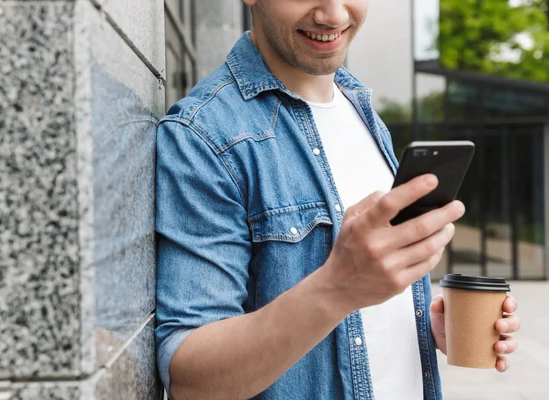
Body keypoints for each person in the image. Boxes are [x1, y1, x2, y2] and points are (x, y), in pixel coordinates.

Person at [154, 1, 520, 399]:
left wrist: (417, 326)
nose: (334, 16)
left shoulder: (359, 108)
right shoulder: (204, 135)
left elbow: (356, 314)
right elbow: (192, 381)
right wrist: (337, 288)